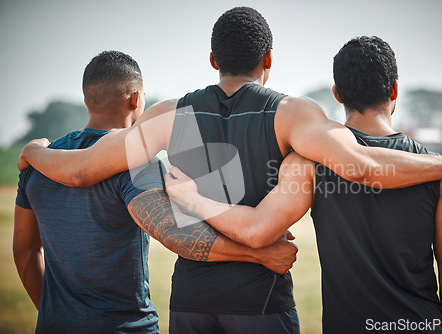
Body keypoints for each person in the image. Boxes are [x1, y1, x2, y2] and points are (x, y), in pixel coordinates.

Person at [17, 7, 442, 333]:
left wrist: (34, 153)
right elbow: (363, 164)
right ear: (268, 59)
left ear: (213, 60)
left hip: (190, 301)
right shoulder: (292, 113)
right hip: (261, 302)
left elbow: (80, 171)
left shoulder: (168, 115)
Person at [165, 36, 442, 334]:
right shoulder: (440, 172)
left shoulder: (309, 163)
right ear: (394, 90)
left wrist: (193, 200)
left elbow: (257, 228)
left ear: (337, 93)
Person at [13, 50, 297, 333]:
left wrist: (57, 316)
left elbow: (25, 252)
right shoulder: (135, 162)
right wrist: (260, 254)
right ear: (135, 98)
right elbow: (174, 234)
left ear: (88, 98)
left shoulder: (39, 164)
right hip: (125, 327)